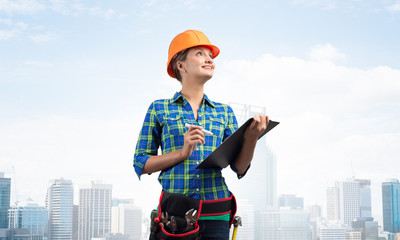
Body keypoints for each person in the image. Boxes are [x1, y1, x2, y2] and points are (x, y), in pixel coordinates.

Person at [133, 29, 269, 240]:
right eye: (200, 54)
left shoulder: (223, 112)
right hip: (175, 216)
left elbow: (239, 167)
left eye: (211, 56)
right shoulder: (159, 109)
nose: (209, 60)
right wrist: (182, 153)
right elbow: (141, 163)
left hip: (217, 213)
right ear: (181, 65)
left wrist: (251, 139)